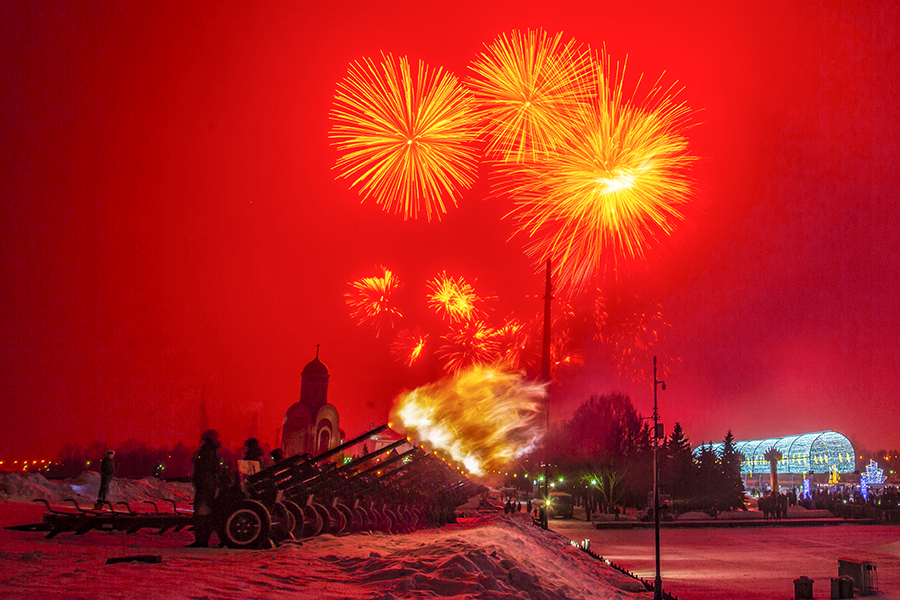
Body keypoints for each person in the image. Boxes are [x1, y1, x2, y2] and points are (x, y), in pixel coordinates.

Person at [188, 429, 222, 548]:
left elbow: (201, 469)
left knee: (202, 513)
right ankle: (202, 538)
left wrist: (200, 483)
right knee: (205, 512)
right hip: (208, 486)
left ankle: (201, 540)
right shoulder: (214, 451)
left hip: (204, 487)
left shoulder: (206, 451)